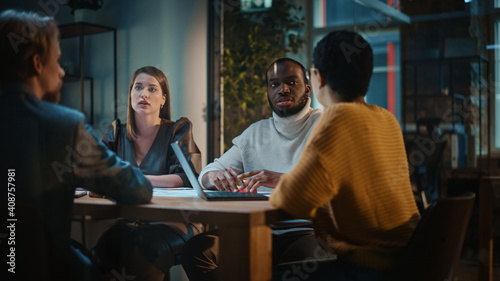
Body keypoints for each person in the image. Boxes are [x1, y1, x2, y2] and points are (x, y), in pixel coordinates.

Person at [0, 9, 152, 281]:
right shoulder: (64, 126)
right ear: (37, 64)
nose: (62, 71)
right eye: (57, 61)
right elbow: (136, 189)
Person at [269, 30, 421, 281]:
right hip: (406, 262)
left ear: (319, 78)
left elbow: (292, 200)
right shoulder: (386, 119)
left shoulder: (338, 117)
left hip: (370, 268)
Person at [181, 58, 325, 280]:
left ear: (307, 88)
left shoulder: (325, 125)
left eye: (291, 82)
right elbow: (206, 175)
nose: (283, 89)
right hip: (258, 228)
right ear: (268, 91)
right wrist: (215, 176)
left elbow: (338, 183)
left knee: (292, 267)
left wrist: (283, 180)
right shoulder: (255, 133)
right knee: (196, 251)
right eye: (274, 84)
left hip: (308, 230)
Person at [92, 66, 203, 281]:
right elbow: (98, 172)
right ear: (131, 95)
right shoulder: (116, 133)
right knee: (104, 252)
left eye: (152, 89)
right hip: (133, 218)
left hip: (177, 218)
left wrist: (130, 178)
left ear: (163, 99)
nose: (144, 94)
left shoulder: (178, 129)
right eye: (138, 88)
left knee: (148, 250)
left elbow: (187, 177)